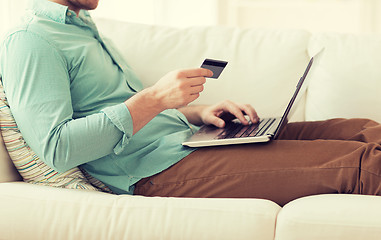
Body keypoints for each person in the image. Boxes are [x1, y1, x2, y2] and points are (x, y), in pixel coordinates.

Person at [1, 0, 381, 207]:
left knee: (360, 129)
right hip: (154, 170)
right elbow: (57, 148)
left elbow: (124, 109)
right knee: (362, 166)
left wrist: (198, 112)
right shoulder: (32, 39)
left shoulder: (80, 26)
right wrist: (154, 98)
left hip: (187, 139)